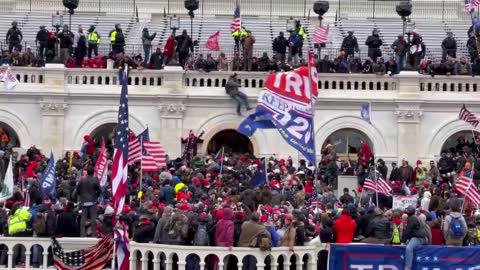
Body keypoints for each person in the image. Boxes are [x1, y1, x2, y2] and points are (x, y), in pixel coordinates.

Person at [74, 166, 101, 237]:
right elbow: (99, 191)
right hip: (93, 201)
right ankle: (94, 234)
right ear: (93, 172)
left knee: (83, 218)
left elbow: (78, 191)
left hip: (84, 201)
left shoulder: (82, 180)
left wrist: (82, 196)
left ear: (87, 172)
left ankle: (82, 234)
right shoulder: (95, 180)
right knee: (93, 218)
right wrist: (96, 197)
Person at [403, 205, 429, 270]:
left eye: (407, 211)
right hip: (421, 237)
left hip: (419, 238)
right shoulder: (415, 217)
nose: (406, 212)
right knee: (408, 245)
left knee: (409, 248)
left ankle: (408, 267)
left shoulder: (412, 218)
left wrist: (402, 241)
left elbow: (408, 231)